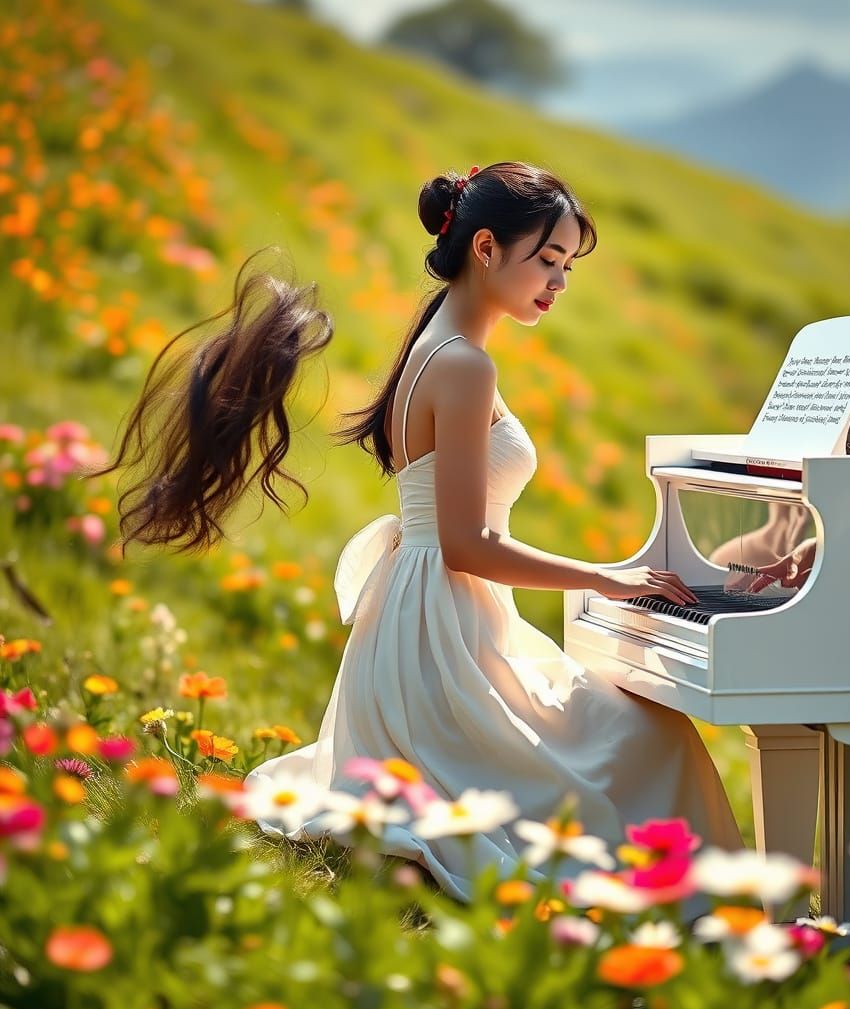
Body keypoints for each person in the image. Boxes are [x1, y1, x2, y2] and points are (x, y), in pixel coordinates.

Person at [91, 160, 743, 901]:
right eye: (549, 260)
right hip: (445, 639)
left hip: (430, 621)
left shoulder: (435, 340)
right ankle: (702, 908)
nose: (559, 283)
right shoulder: (465, 366)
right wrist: (604, 578)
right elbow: (468, 543)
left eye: (567, 265)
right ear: (488, 248)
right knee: (651, 740)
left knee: (628, 735)